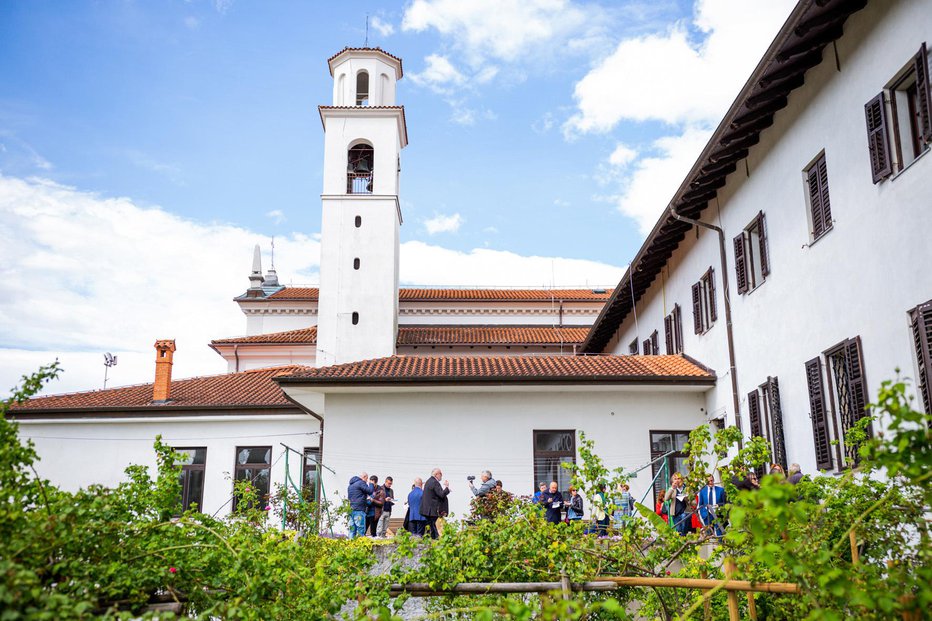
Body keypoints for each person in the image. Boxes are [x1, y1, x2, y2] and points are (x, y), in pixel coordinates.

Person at [421, 468, 451, 539]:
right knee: (433, 526)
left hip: (427, 509)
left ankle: (430, 539)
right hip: (432, 509)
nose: (441, 476)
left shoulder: (429, 481)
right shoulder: (435, 482)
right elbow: (441, 494)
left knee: (430, 526)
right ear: (436, 474)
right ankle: (435, 539)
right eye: (441, 474)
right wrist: (447, 488)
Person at [346, 470, 371, 539]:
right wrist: (371, 484)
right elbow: (370, 491)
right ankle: (360, 546)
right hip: (359, 510)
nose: (367, 481)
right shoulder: (361, 483)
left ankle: (350, 546)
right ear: (364, 477)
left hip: (351, 509)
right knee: (360, 530)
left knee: (352, 530)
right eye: (367, 478)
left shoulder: (350, 486)